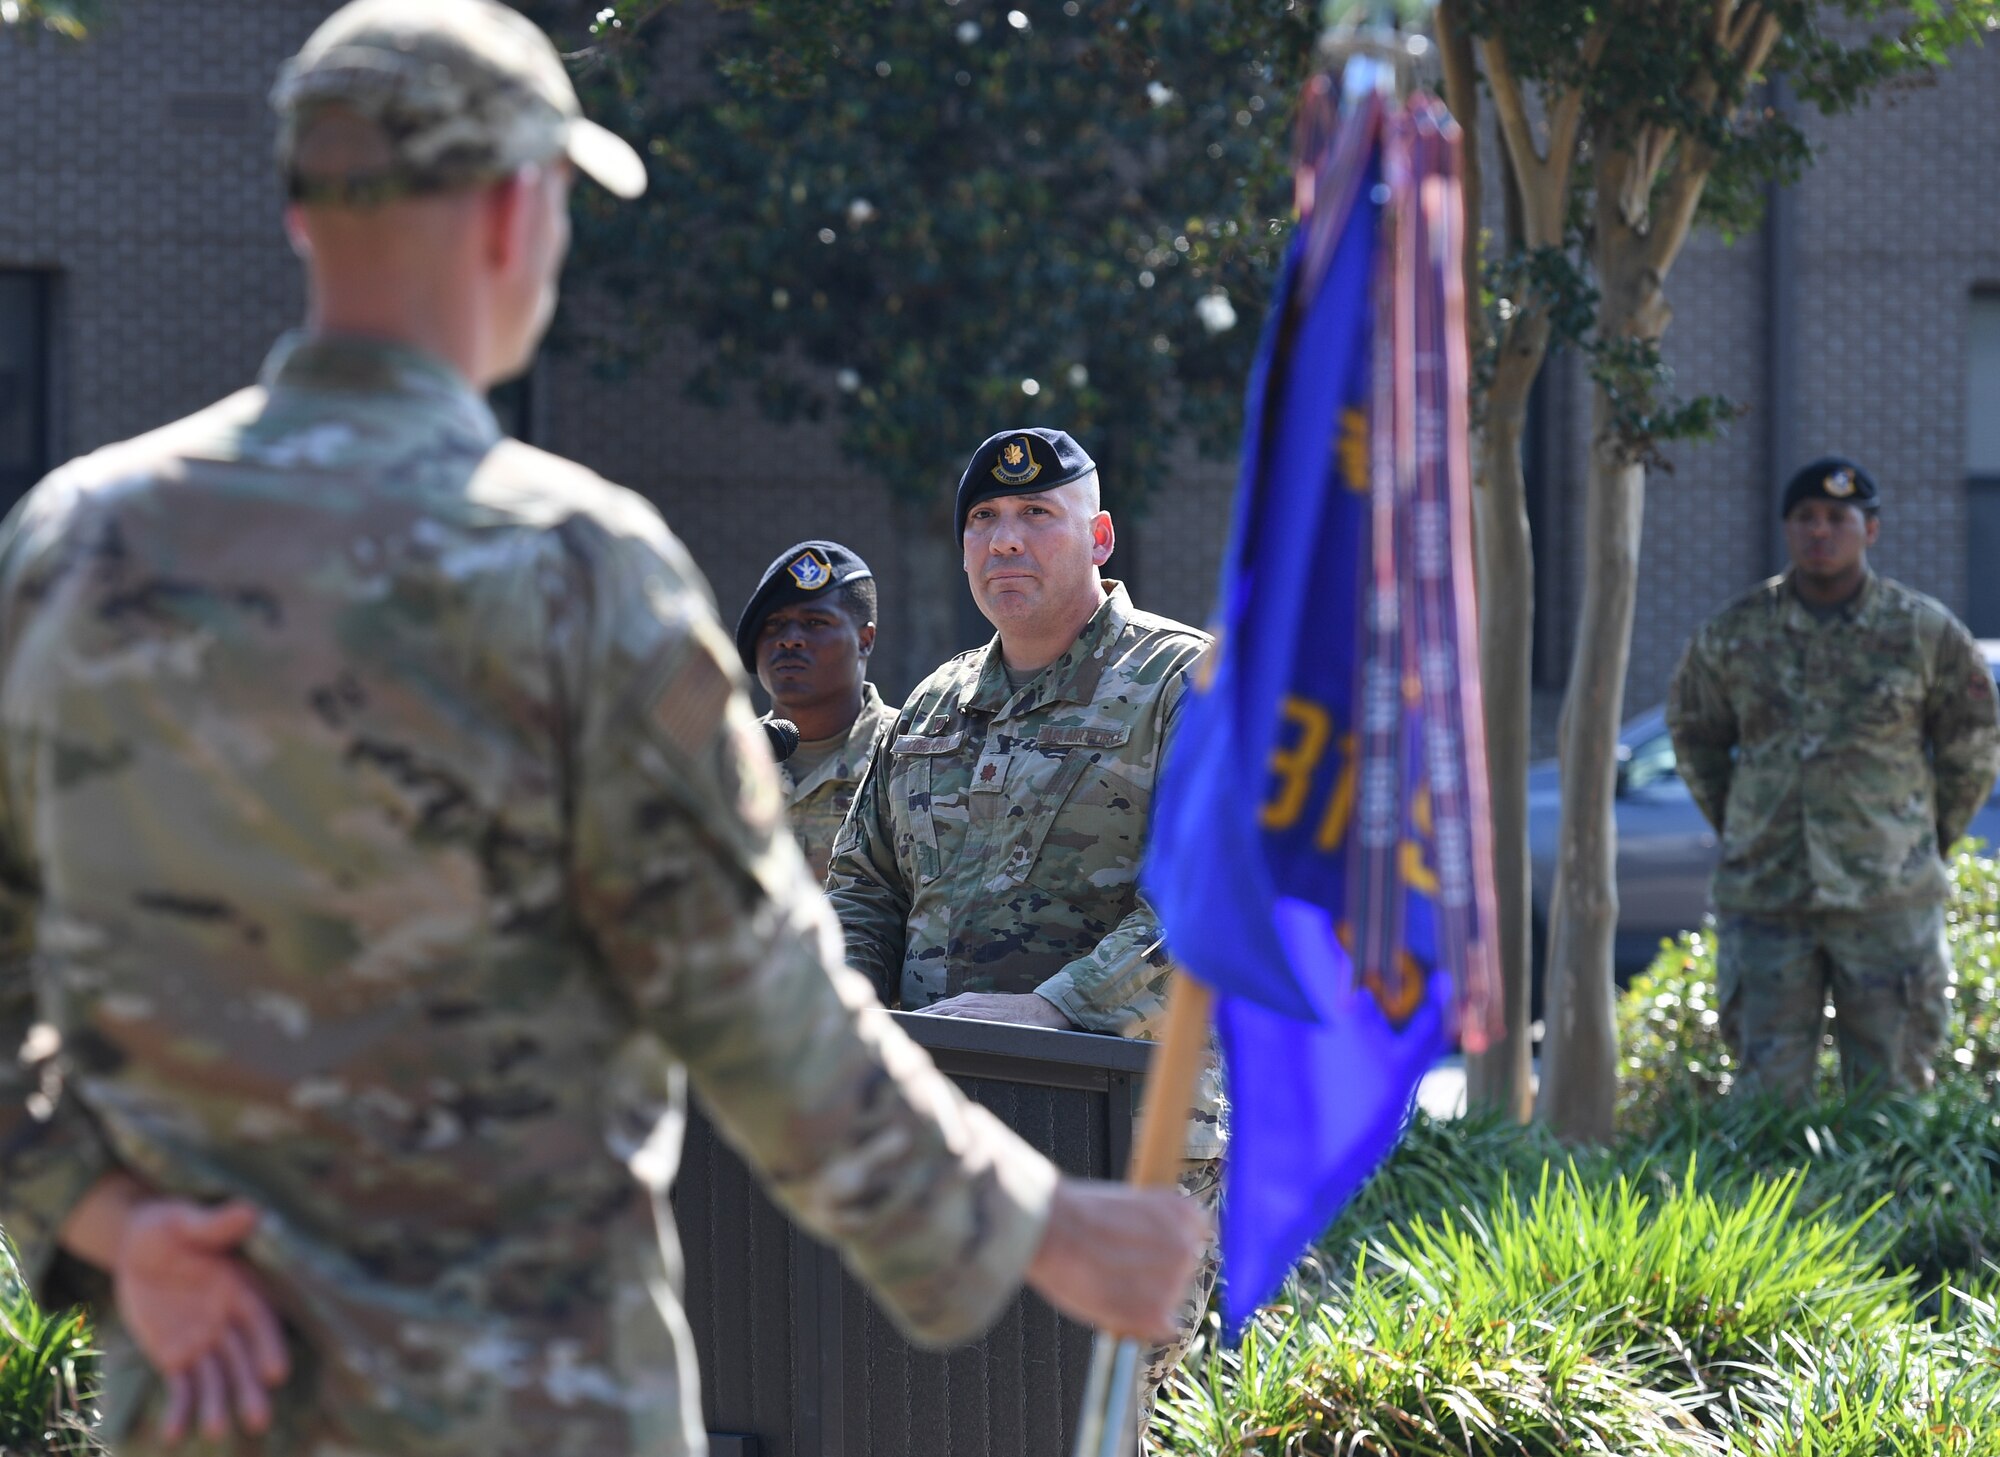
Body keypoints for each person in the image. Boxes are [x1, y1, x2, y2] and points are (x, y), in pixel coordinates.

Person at [0, 5, 1203, 1453]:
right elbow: (760, 1007)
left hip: (210, 1390)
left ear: (301, 210)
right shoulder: (574, 568)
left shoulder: (79, 547)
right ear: (516, 213)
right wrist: (1048, 1233)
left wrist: (113, 1224)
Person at [825, 426, 1224, 1421]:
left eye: (1035, 515)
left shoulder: (1183, 686)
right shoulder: (929, 707)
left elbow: (1212, 904)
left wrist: (1052, 1009)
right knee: (945, 1409)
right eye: (983, 520)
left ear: (1097, 535)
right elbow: (860, 884)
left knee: (1128, 1413)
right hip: (946, 1127)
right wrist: (849, 1021)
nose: (1005, 539)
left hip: (1129, 1128)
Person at [1667, 455, 2000, 1104]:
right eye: (1806, 517)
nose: (1821, 531)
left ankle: (1892, 1206)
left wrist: (1921, 839)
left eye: (1838, 518)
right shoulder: (1734, 634)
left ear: (1869, 530)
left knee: (1893, 1095)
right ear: (1787, 528)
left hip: (1887, 902)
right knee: (1765, 1099)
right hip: (1769, 897)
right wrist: (1746, 824)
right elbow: (1695, 735)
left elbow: (1973, 741)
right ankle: (1769, 1208)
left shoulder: (1923, 631)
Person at [734, 540, 897, 881]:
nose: (789, 639)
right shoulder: (720, 761)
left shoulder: (912, 757)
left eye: (815, 623)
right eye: (774, 624)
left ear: (865, 640)